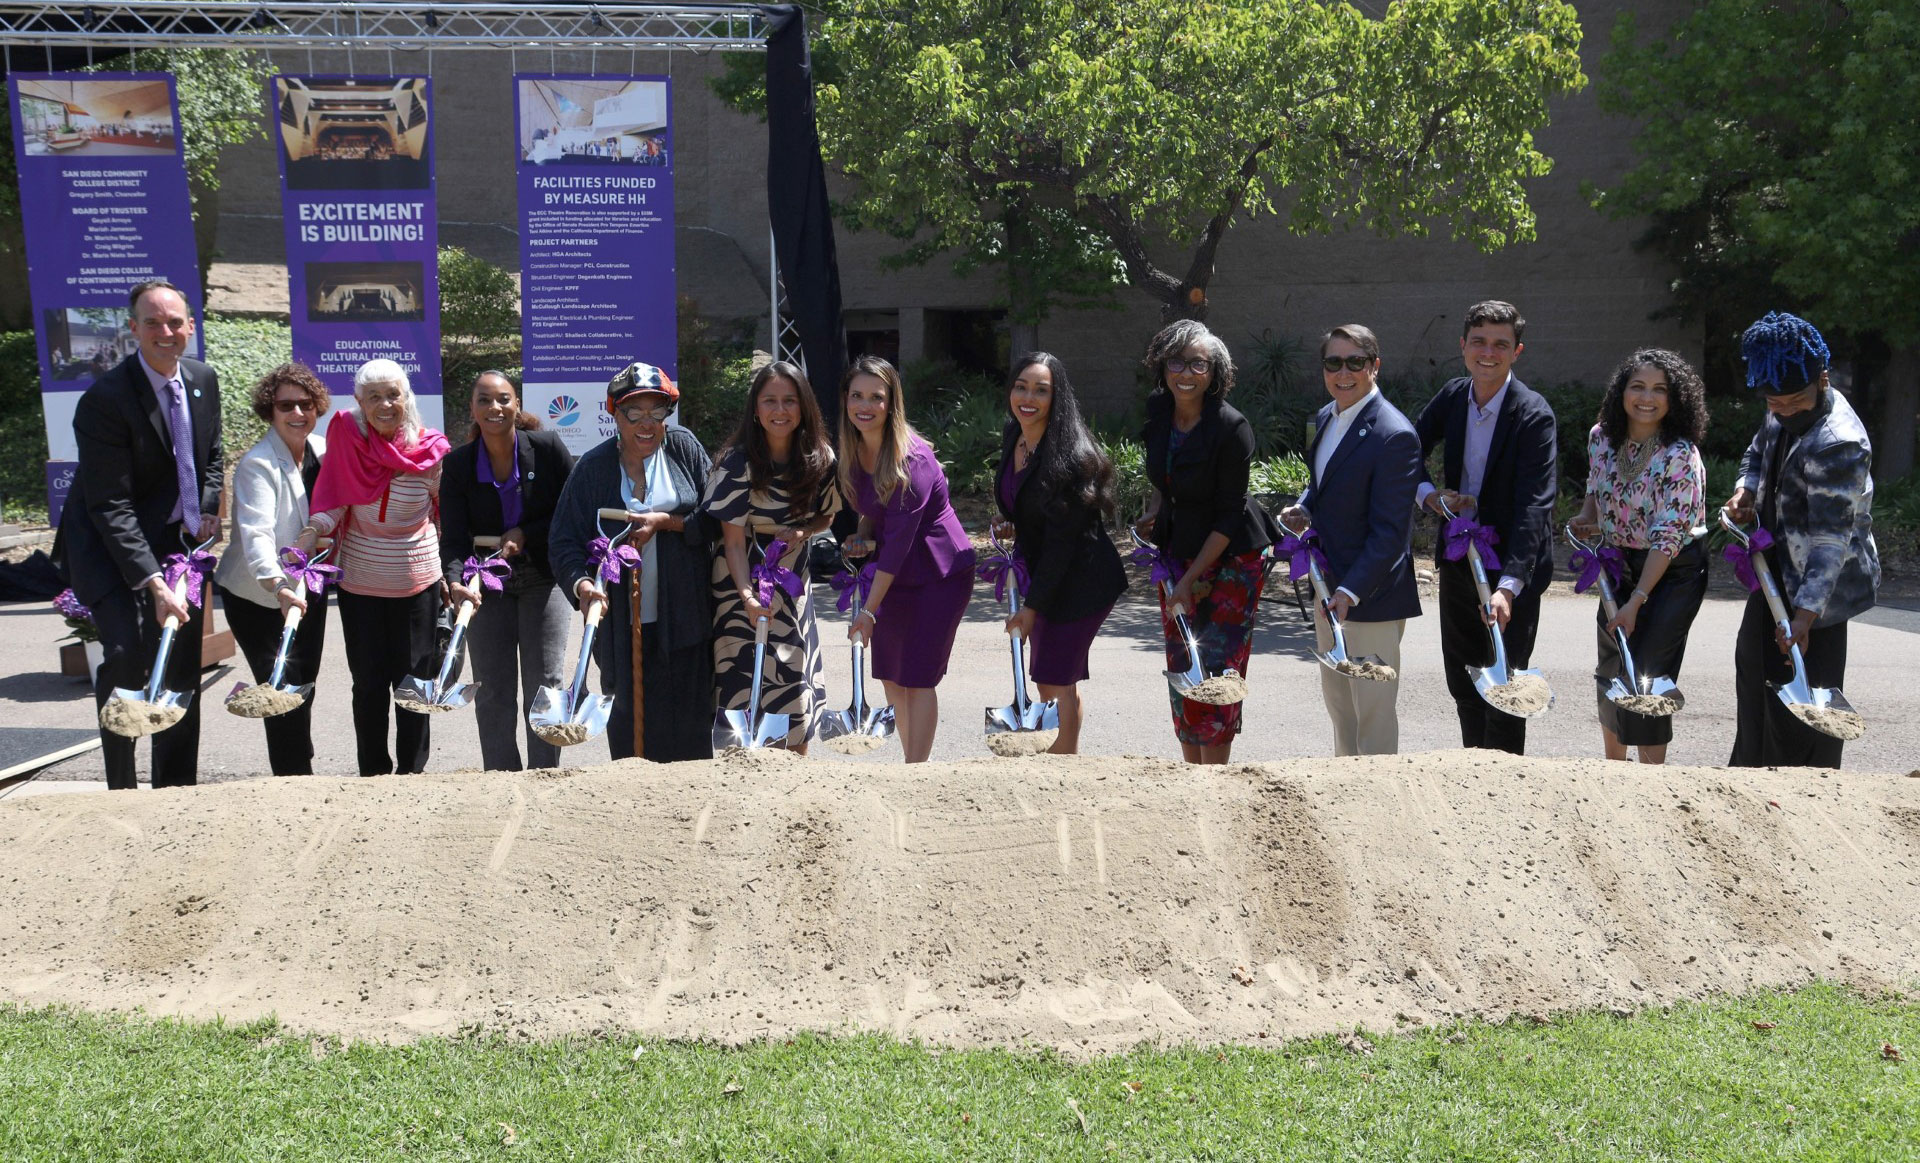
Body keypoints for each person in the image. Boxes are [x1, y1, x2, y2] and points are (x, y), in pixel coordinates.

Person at [54, 279, 222, 790]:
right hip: (110, 549)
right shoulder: (105, 401)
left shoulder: (201, 378)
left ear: (190, 327)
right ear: (133, 330)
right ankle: (122, 789)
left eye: (175, 322)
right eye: (152, 322)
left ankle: (174, 788)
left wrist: (208, 508)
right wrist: (154, 583)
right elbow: (111, 504)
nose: (165, 331)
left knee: (179, 662)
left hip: (178, 542)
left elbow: (211, 456)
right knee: (127, 657)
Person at [1724, 312, 1879, 770]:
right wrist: (1745, 489)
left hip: (1821, 595)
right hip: (1774, 569)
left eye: (1795, 400)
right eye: (1775, 402)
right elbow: (1758, 451)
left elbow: (1832, 542)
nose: (1786, 410)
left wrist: (1805, 617)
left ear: (1822, 379)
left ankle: (1806, 794)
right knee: (1754, 674)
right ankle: (1750, 776)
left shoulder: (1839, 443)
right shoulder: (1781, 403)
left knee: (1804, 707)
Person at [548, 361, 715, 762]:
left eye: (657, 411)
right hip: (623, 631)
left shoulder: (684, 447)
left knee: (691, 735)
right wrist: (582, 586)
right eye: (633, 412)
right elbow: (563, 541)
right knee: (632, 740)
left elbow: (714, 517)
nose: (647, 422)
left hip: (687, 622)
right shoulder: (593, 467)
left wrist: (668, 523)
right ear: (614, 414)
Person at [1413, 300, 1558, 754]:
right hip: (1459, 557)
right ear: (1463, 346)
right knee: (1463, 678)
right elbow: (1405, 448)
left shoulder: (1534, 414)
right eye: (1478, 341)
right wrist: (1427, 494)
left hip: (1512, 565)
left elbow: (1537, 505)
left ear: (1518, 351)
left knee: (1505, 684)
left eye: (1500, 344)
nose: (1488, 352)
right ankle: (1473, 775)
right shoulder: (1454, 396)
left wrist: (1509, 587)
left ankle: (1506, 785)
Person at [1136, 320, 1280, 765]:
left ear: (1214, 371)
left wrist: (1191, 579)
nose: (1186, 373)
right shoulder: (1158, 413)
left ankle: (1215, 779)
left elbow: (1229, 513)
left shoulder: (1231, 427)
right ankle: (1191, 776)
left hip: (1232, 557)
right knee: (1182, 659)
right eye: (1176, 362)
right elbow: (1165, 475)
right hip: (1179, 548)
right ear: (1162, 368)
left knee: (1217, 665)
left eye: (1197, 363)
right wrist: (1156, 510)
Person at [297, 359, 450, 776]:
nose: (385, 404)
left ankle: (412, 773)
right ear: (360, 403)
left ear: (407, 398)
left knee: (414, 684)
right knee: (367, 685)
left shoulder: (431, 451)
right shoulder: (348, 441)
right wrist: (312, 530)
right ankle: (373, 774)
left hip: (418, 585)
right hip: (361, 586)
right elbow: (334, 502)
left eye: (393, 395)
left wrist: (451, 575)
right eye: (374, 397)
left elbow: (443, 513)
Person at [1281, 325, 1421, 757]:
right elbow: (1321, 485)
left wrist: (1350, 590)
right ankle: (1345, 802)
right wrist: (1304, 506)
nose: (1344, 372)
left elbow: (1390, 534)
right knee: (1341, 711)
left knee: (1373, 718)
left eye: (1355, 362)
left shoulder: (1394, 435)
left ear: (1374, 366)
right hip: (1328, 588)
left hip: (1370, 596)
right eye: (1333, 362)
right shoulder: (1325, 417)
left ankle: (1377, 812)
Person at [1569, 349, 1710, 765]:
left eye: (1659, 389)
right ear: (1622, 392)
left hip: (1672, 572)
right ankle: (1616, 772)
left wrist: (1637, 600)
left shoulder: (1681, 455)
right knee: (1612, 664)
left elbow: (1668, 538)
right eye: (1638, 386)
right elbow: (1596, 490)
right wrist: (1585, 519)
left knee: (1647, 672)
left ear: (1675, 398)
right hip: (1617, 563)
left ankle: (1650, 785)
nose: (1647, 398)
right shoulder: (1602, 437)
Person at [839, 356, 976, 764]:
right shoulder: (854, 448)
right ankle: (910, 764)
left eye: (876, 397)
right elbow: (874, 508)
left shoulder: (911, 460)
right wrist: (863, 533)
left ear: (891, 403)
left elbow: (897, 547)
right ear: (846, 400)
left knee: (917, 678)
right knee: (890, 677)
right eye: (857, 395)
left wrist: (867, 611)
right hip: (894, 575)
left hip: (939, 575)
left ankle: (918, 773)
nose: (866, 406)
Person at [988, 352, 1127, 754]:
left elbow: (1064, 545)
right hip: (1047, 572)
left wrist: (1030, 610)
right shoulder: (1015, 435)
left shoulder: (1072, 458)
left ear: (1057, 397)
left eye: (1041, 390)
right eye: (1020, 386)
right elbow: (1026, 502)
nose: (1027, 397)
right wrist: (1009, 518)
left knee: (1052, 678)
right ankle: (1063, 754)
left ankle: (1064, 761)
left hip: (1080, 581)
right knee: (1055, 677)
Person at [441, 371, 577, 771]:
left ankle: (544, 777)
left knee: (545, 683)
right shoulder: (458, 465)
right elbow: (452, 540)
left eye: (503, 399)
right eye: (484, 400)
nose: (494, 408)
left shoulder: (548, 448)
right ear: (473, 409)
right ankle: (500, 780)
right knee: (493, 688)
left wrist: (526, 533)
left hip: (542, 578)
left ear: (517, 405)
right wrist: (455, 581)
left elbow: (570, 514)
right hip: (486, 584)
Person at [705, 361, 842, 752]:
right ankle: (741, 777)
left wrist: (802, 531)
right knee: (742, 678)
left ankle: (795, 776)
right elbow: (731, 542)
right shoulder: (736, 462)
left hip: (790, 577)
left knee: (792, 672)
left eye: (789, 401)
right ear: (755, 408)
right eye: (770, 401)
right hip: (738, 581)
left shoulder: (822, 458)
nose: (779, 411)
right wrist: (747, 597)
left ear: (804, 408)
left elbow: (826, 515)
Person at [213, 363, 330, 775]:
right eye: (286, 406)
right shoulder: (257, 465)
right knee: (280, 686)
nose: (297, 413)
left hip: (307, 587)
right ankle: (292, 778)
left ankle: (300, 763)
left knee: (304, 684)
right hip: (258, 593)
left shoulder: (322, 450)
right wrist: (279, 586)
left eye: (306, 404)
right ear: (270, 410)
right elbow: (256, 536)